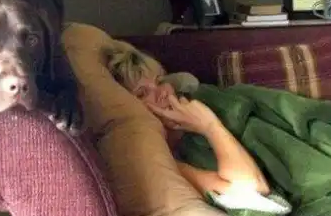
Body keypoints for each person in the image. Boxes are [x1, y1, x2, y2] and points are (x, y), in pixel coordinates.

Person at [104, 43, 269, 199]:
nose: (162, 92)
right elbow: (251, 190)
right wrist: (210, 126)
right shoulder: (167, 161)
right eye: (142, 93)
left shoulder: (203, 99)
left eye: (160, 82)